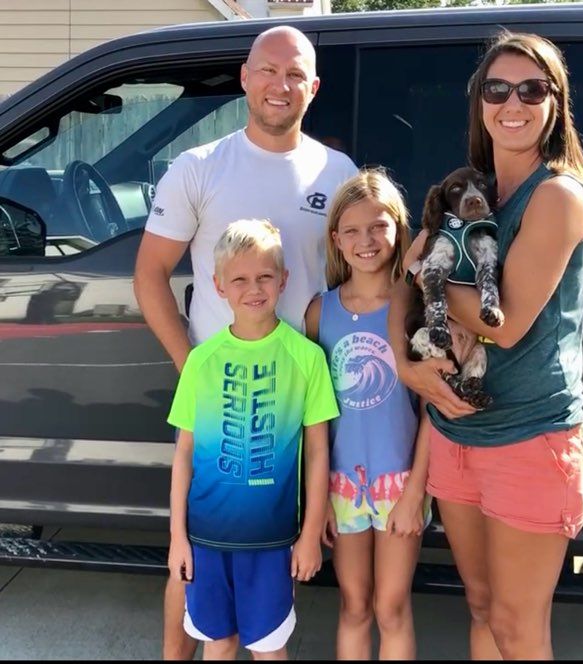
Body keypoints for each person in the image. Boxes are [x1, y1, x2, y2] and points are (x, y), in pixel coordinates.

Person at [133, 25, 357, 660]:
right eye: (266, 70)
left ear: (313, 88)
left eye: (294, 75)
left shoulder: (336, 172)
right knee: (197, 555)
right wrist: (193, 368)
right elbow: (149, 275)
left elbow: (358, 271)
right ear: (245, 78)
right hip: (223, 397)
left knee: (277, 555)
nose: (279, 85)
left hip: (302, 393)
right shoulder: (199, 166)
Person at [387, 31, 583, 660]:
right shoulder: (469, 191)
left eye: (532, 89)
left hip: (530, 442)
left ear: (555, 103)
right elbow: (403, 282)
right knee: (480, 609)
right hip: (457, 438)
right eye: (497, 88)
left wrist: (424, 268)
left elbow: (501, 322)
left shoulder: (557, 196)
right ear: (479, 102)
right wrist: (406, 364)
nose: (514, 102)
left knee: (516, 628)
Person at [167, 219, 337, 660]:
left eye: (264, 276)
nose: (253, 288)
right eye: (239, 279)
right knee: (218, 643)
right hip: (206, 538)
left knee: (268, 646)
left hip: (273, 540)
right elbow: (184, 453)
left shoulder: (307, 358)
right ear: (219, 286)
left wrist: (310, 534)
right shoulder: (201, 362)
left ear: (283, 280)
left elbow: (318, 453)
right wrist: (177, 537)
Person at [304, 169, 432, 660]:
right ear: (335, 240)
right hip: (341, 488)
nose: (366, 240)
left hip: (400, 484)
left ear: (398, 230)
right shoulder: (321, 312)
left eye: (378, 226)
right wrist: (316, 504)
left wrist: (415, 491)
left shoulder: (415, 308)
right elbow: (313, 419)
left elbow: (430, 413)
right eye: (352, 230)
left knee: (391, 607)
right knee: (354, 606)